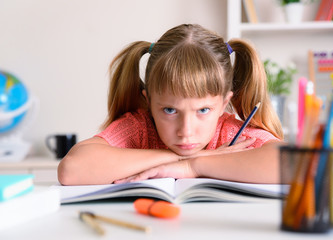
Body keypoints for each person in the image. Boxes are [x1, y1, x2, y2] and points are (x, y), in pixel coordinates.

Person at [58, 24, 283, 186]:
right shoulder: (139, 128)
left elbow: (301, 165)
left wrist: (192, 167)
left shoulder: (231, 134)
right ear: (149, 101)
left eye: (203, 110)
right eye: (170, 110)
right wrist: (183, 157)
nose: (185, 131)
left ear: (224, 103)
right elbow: (71, 170)